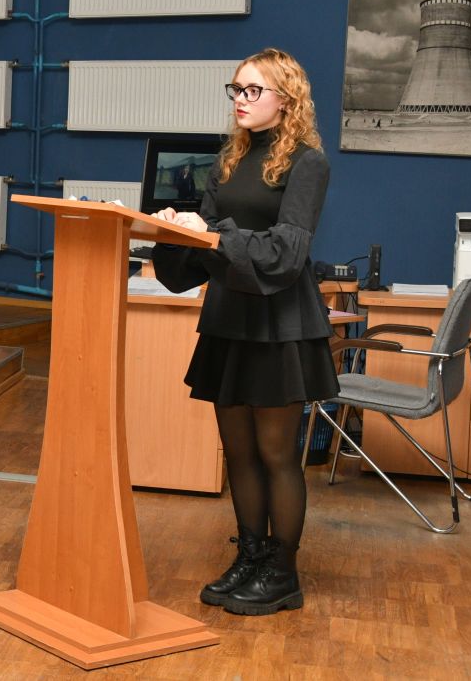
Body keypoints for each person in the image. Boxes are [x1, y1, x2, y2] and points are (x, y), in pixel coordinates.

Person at [151, 48, 335, 617]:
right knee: (237, 451)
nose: (241, 100)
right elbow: (206, 246)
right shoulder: (228, 160)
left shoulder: (307, 163)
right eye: (236, 89)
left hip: (279, 322)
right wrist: (176, 231)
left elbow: (288, 250)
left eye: (253, 90)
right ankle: (250, 558)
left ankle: (283, 573)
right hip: (229, 317)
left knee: (276, 454)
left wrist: (213, 233)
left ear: (286, 98)